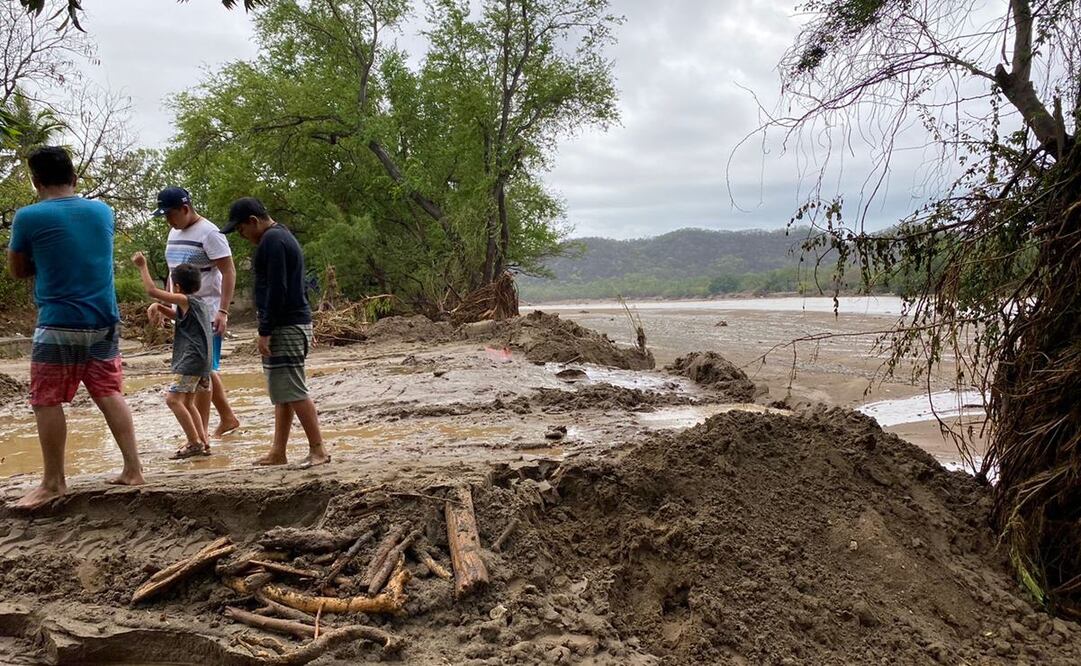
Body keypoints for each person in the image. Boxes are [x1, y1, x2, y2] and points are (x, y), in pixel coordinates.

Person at [5, 146, 144, 509]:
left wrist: (43, 261)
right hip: (104, 319)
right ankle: (133, 469)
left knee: (46, 399)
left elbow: (17, 270)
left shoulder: (28, 217)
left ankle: (54, 482)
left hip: (59, 321)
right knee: (108, 392)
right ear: (75, 178)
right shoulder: (102, 211)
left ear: (36, 182)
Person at [221, 197, 329, 467]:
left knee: (293, 389)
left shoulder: (272, 241)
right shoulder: (283, 237)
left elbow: (277, 289)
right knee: (284, 392)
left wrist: (265, 329)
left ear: (253, 221)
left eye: (241, 229)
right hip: (293, 322)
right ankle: (278, 452)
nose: (242, 235)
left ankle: (318, 450)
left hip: (286, 324)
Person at [151, 187, 240, 443]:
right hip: (184, 312)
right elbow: (172, 271)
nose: (168, 220)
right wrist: (166, 303)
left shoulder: (210, 233)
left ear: (185, 209)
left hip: (206, 312)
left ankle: (201, 432)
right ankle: (226, 418)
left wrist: (223, 310)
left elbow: (229, 271)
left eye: (170, 214)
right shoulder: (173, 231)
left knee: (203, 369)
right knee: (206, 369)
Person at [132, 252, 213, 459]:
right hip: (203, 363)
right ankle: (202, 441)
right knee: (187, 403)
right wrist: (159, 308)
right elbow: (179, 316)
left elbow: (151, 290)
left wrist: (142, 265)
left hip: (191, 360)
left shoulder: (184, 299)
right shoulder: (199, 303)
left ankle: (194, 442)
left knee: (173, 400)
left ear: (176, 287)